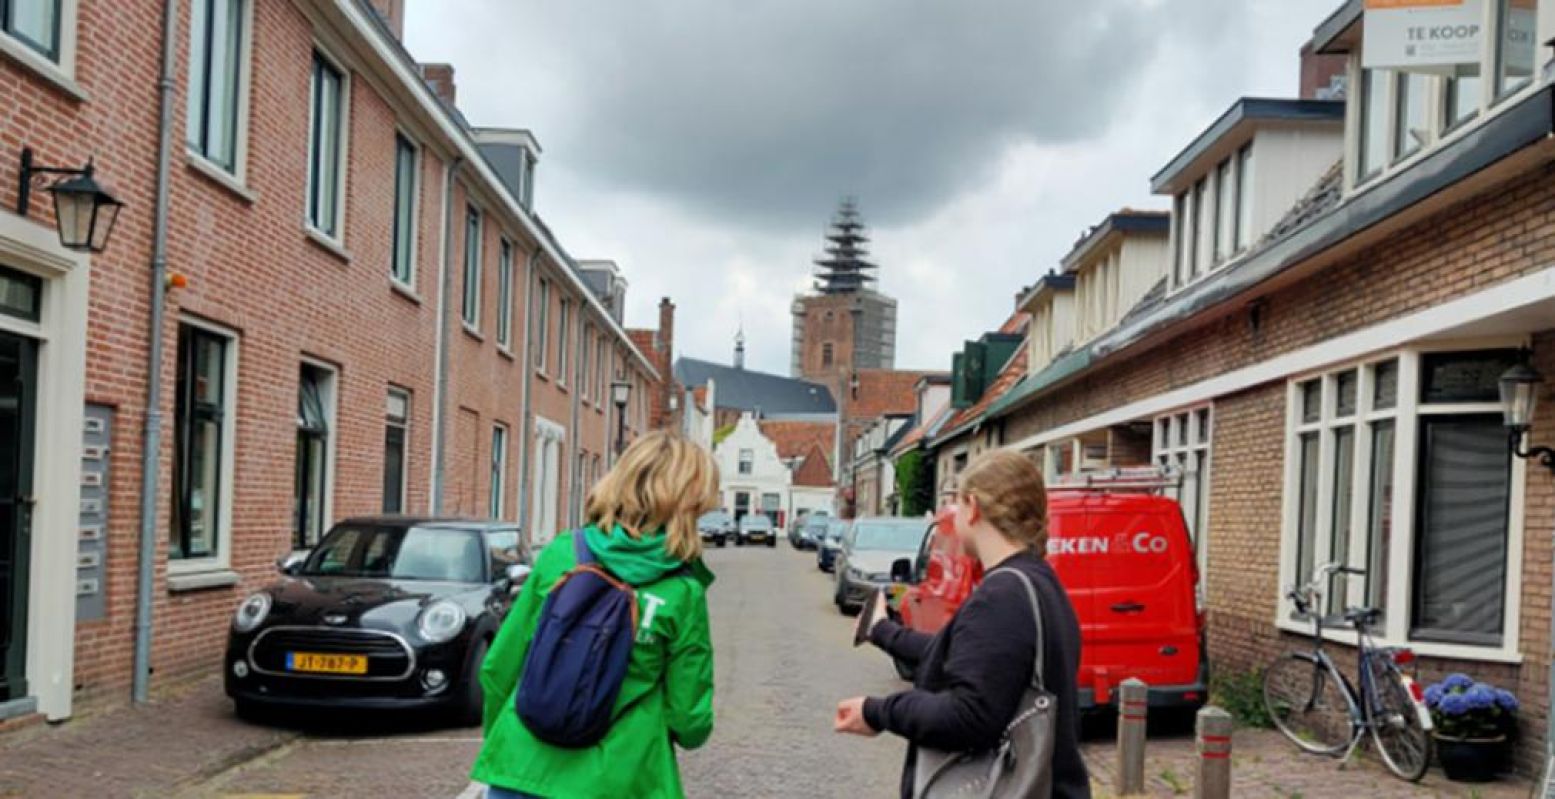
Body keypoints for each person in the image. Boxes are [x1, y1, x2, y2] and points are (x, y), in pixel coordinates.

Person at [471, 431, 720, 799]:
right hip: (622, 778)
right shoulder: (682, 592)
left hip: (522, 770)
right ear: (688, 505)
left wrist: (506, 743)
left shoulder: (561, 554)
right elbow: (689, 719)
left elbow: (499, 667)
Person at [834, 450, 1090, 799]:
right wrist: (883, 632)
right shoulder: (1036, 582)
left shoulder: (1002, 595)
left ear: (973, 507)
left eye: (956, 506)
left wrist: (879, 712)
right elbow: (969, 656)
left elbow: (968, 716)